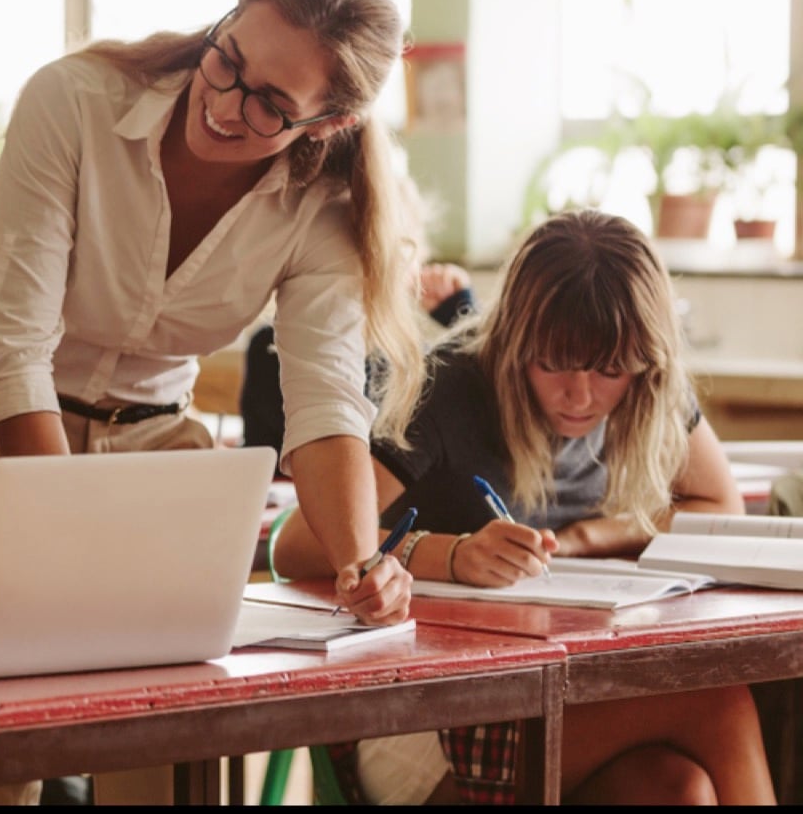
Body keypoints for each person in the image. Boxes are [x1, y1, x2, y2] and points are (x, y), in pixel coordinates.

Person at [0, 0, 424, 805]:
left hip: (146, 443)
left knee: (163, 724)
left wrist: (363, 565)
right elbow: (10, 349)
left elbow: (325, 402)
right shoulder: (73, 99)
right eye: (228, 58)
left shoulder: (325, 203)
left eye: (270, 105)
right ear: (225, 20)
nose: (222, 103)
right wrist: (57, 535)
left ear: (325, 125)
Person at [273, 209, 776, 805]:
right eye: (555, 363)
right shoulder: (450, 386)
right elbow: (295, 541)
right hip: (424, 721)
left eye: (610, 371)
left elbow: (718, 502)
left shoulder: (648, 380)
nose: (581, 396)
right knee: (715, 702)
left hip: (563, 688)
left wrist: (589, 536)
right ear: (515, 343)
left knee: (678, 789)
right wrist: (451, 555)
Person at [240, 259, 476, 471]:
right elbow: (263, 457)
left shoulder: (413, 359)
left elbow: (485, 407)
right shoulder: (270, 347)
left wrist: (463, 314)